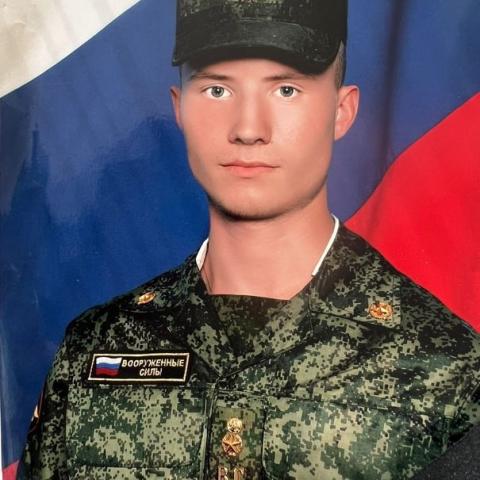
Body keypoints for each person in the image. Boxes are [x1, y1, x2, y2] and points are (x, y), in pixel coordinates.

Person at [17, 1, 480, 479]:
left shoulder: (446, 369)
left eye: (285, 89)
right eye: (217, 89)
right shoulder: (92, 350)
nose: (248, 129)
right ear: (179, 108)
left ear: (342, 111)